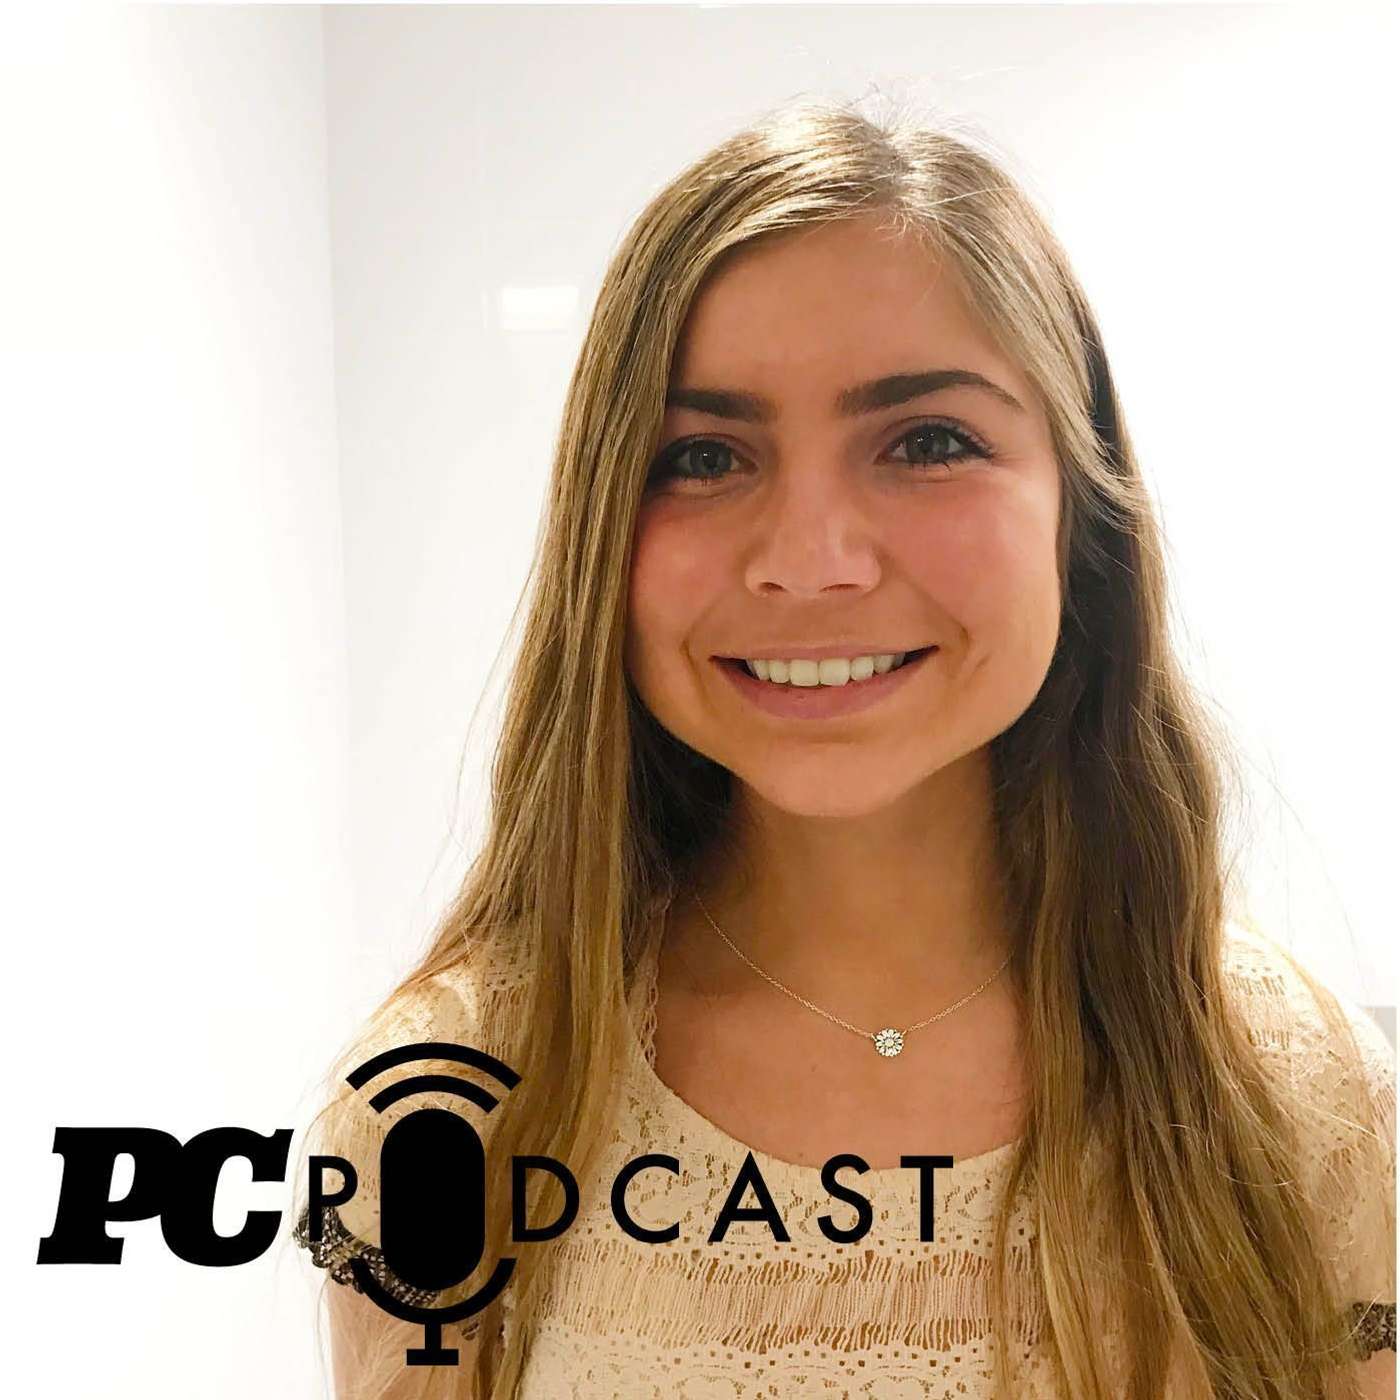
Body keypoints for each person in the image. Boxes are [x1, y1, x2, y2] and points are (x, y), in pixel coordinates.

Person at [290, 95, 1395, 1399]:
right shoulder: (443, 1112)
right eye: (703, 457)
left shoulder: (1301, 1097)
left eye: (929, 443)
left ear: (1080, 515)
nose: (811, 561)